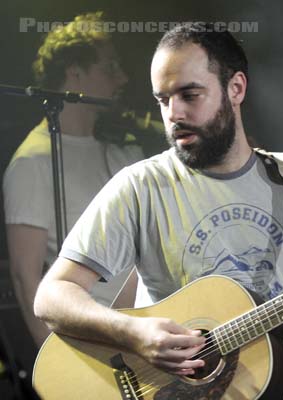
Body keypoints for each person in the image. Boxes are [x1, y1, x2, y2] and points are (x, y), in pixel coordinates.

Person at [32, 23, 283, 399]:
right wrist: (134, 335)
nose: (174, 114)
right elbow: (52, 297)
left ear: (235, 88)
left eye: (190, 94)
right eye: (163, 100)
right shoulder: (139, 186)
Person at [3, 12, 144, 348]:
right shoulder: (33, 161)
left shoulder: (126, 153)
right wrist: (62, 380)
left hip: (157, 325)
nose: (122, 77)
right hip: (102, 346)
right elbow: (26, 279)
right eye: (110, 67)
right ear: (74, 71)